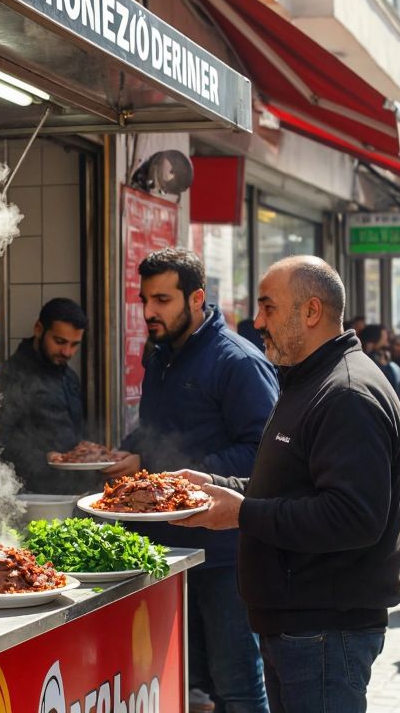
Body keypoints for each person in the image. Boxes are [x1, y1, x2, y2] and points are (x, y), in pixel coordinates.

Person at [170, 256, 400, 711]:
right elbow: (292, 484)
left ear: (311, 311)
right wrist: (214, 485)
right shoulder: (308, 379)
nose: (257, 322)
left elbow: (353, 517)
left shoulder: (348, 393)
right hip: (299, 626)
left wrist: (240, 512)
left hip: (323, 630)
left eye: (268, 308)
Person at [109, 248, 279, 713]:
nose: (148, 312)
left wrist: (175, 476)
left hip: (224, 557)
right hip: (166, 552)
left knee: (238, 686)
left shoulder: (238, 362)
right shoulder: (160, 355)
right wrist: (133, 453)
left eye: (162, 300)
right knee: (185, 683)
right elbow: (156, 430)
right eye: (144, 299)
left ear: (197, 297)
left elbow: (262, 453)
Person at [0, 298, 97, 495]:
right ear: (39, 329)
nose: (67, 352)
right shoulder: (12, 375)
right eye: (60, 342)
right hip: (32, 492)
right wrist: (43, 457)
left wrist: (84, 448)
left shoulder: (69, 376)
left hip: (70, 489)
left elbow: (73, 428)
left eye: (74, 345)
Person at [359, 323, 400, 392]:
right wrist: (384, 366)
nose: (386, 343)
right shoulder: (370, 359)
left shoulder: (379, 356)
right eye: (384, 339)